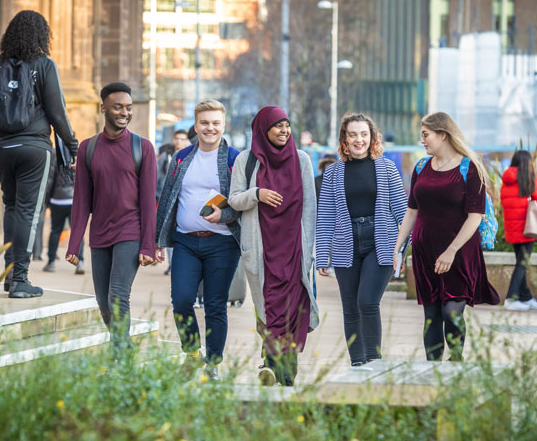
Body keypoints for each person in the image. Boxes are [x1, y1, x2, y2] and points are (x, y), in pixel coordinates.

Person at [0, 10, 78, 299]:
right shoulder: (44, 64)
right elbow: (57, 112)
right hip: (34, 148)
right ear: (41, 35)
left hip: (1, 148)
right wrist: (73, 146)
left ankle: (10, 277)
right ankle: (20, 280)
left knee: (11, 208)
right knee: (28, 212)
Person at [392, 112, 499, 361]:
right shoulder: (421, 167)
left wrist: (451, 251)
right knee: (431, 315)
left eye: (426, 135)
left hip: (459, 253)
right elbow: (411, 212)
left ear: (443, 134)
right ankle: (432, 369)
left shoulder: (469, 168)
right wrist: (397, 249)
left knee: (452, 312)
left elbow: (475, 216)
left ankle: (457, 359)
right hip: (424, 252)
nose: (422, 141)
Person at [229, 106, 319, 386]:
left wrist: (308, 248)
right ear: (262, 129)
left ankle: (284, 370)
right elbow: (234, 199)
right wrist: (257, 194)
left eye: (287, 125)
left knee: (292, 310)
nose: (284, 131)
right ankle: (271, 364)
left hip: (293, 248)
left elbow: (310, 207)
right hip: (262, 248)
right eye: (278, 126)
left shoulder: (301, 159)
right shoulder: (247, 160)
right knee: (268, 309)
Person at [66, 82, 157, 348]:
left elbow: (148, 201)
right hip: (100, 233)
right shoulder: (87, 148)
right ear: (103, 108)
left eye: (128, 108)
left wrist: (148, 245)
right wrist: (75, 243)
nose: (124, 113)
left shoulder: (144, 148)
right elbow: (82, 200)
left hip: (131, 230)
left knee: (118, 295)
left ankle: (119, 359)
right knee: (103, 302)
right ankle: (125, 348)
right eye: (118, 107)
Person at [155, 100, 241, 379]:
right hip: (186, 242)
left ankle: (213, 363)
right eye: (204, 122)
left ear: (224, 125)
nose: (210, 128)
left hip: (222, 244)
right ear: (195, 125)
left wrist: (225, 215)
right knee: (181, 300)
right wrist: (158, 241)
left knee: (215, 304)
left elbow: (243, 202)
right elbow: (168, 198)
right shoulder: (182, 157)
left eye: (216, 122)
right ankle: (192, 353)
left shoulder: (235, 159)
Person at [315, 113, 407, 366]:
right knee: (350, 306)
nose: (359, 140)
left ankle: (374, 361)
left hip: (382, 243)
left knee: (367, 301)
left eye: (364, 134)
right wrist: (322, 255)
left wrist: (401, 250)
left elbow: (403, 212)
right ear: (344, 138)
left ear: (372, 137)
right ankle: (358, 362)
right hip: (346, 244)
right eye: (353, 134)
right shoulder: (333, 173)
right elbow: (325, 217)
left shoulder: (386, 167)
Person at [500, 150, 537, 311]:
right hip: (527, 229)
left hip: (512, 229)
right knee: (522, 264)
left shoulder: (506, 180)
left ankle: (525, 297)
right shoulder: (529, 180)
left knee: (520, 262)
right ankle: (511, 299)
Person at [42, 155, 85, 275]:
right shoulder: (80, 158)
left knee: (55, 231)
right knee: (77, 232)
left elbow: (50, 180)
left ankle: (51, 262)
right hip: (74, 201)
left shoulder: (56, 158)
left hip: (57, 200)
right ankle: (80, 261)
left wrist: (47, 200)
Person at [157, 130, 191, 276]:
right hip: (167, 198)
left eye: (182, 139)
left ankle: (180, 262)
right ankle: (172, 264)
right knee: (169, 231)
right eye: (177, 138)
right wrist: (158, 195)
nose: (179, 141)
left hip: (184, 200)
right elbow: (158, 176)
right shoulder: (167, 155)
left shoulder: (191, 154)